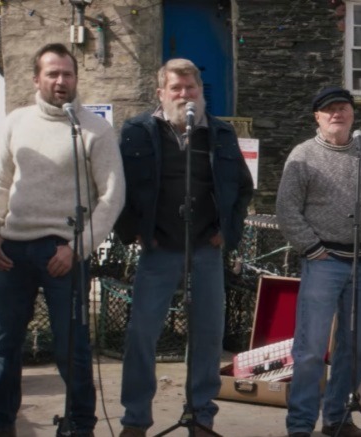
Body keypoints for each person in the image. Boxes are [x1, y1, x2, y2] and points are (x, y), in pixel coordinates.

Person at [114, 58, 253, 437]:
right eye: (176, 88)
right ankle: (136, 420)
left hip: (206, 247)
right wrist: (134, 230)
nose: (184, 95)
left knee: (207, 335)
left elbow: (242, 187)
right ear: (161, 92)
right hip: (159, 249)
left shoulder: (220, 133)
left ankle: (200, 416)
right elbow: (116, 185)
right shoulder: (137, 131)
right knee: (142, 333)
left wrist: (228, 231)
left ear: (200, 92)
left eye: (191, 88)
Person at [0, 43, 126, 437]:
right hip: (11, 251)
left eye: (67, 74)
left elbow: (112, 194)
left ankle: (79, 425)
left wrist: (79, 247)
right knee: (3, 345)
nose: (60, 81)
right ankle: (2, 424)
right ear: (36, 79)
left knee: (72, 348)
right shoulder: (14, 123)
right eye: (52, 73)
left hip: (64, 252)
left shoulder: (92, 129)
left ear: (75, 79)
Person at [276, 86, 361, 437]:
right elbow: (287, 209)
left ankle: (337, 418)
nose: (337, 114)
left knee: (355, 350)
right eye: (329, 110)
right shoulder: (302, 156)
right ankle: (300, 424)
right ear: (317, 117)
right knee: (310, 349)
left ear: (353, 115)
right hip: (322, 262)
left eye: (343, 108)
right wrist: (311, 248)